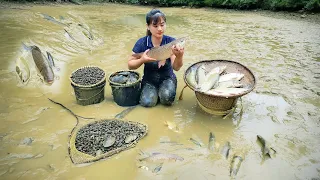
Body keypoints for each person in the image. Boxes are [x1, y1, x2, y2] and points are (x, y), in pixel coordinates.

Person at [128, 9, 184, 107]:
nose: (159, 29)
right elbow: (130, 65)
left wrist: (180, 56)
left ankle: (165, 90)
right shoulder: (142, 42)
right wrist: (142, 60)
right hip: (149, 80)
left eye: (162, 25)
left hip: (167, 78)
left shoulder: (171, 42)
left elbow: (176, 68)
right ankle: (153, 92)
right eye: (155, 26)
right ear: (148, 27)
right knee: (147, 103)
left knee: (167, 99)